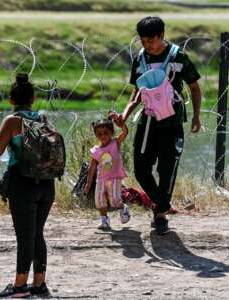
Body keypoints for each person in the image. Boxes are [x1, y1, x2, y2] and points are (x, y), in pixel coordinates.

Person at [115, 16, 202, 235]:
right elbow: (137, 92)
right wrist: (124, 115)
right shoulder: (140, 59)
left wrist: (196, 117)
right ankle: (162, 204)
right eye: (143, 41)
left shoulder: (178, 57)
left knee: (166, 169)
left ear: (162, 36)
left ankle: (160, 215)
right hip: (147, 122)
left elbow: (194, 87)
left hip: (171, 123)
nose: (147, 46)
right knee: (141, 170)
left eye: (151, 41)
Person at [0, 73, 54, 298]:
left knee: (25, 236)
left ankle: (19, 287)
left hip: (22, 183)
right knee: (38, 234)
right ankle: (39, 284)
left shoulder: (12, 121)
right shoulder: (43, 118)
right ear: (33, 99)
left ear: (11, 100)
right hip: (46, 184)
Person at [84, 117, 131, 230]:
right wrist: (88, 184)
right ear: (96, 135)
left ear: (112, 132)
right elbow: (91, 168)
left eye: (106, 133)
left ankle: (123, 208)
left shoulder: (115, 143)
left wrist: (122, 124)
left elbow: (125, 132)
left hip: (115, 178)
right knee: (99, 200)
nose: (102, 136)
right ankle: (104, 220)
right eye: (99, 134)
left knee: (114, 200)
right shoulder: (96, 150)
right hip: (101, 179)